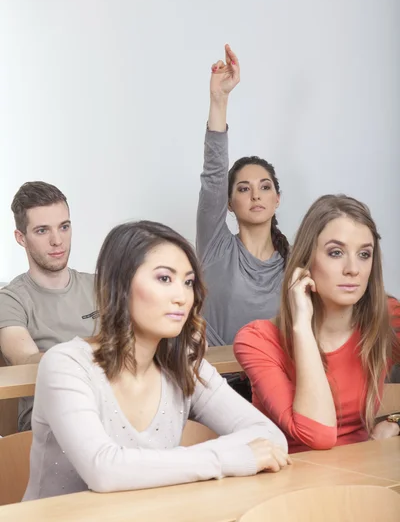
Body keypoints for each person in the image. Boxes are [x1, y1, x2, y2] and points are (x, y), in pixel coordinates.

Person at [23, 220, 290, 500]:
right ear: (120, 284)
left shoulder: (184, 365)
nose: (182, 297)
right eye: (165, 278)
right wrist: (226, 459)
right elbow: (103, 470)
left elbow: (270, 437)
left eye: (188, 282)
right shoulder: (66, 365)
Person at [234, 194, 400, 453]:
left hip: (365, 478)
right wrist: (301, 326)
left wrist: (395, 420)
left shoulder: (386, 319)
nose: (353, 269)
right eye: (336, 253)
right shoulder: (257, 340)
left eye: (364, 254)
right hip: (289, 485)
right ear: (306, 260)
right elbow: (318, 436)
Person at [197, 45, 289, 347]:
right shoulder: (216, 246)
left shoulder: (294, 264)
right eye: (243, 189)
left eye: (265, 187)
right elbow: (214, 175)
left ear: (277, 199)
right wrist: (219, 99)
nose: (255, 196)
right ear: (229, 204)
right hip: (216, 384)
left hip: (273, 384)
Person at [0, 182, 96, 431]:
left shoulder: (101, 285)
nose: (57, 241)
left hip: (111, 410)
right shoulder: (10, 299)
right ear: (21, 238)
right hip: (49, 422)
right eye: (42, 231)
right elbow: (27, 359)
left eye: (64, 227)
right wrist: (106, 348)